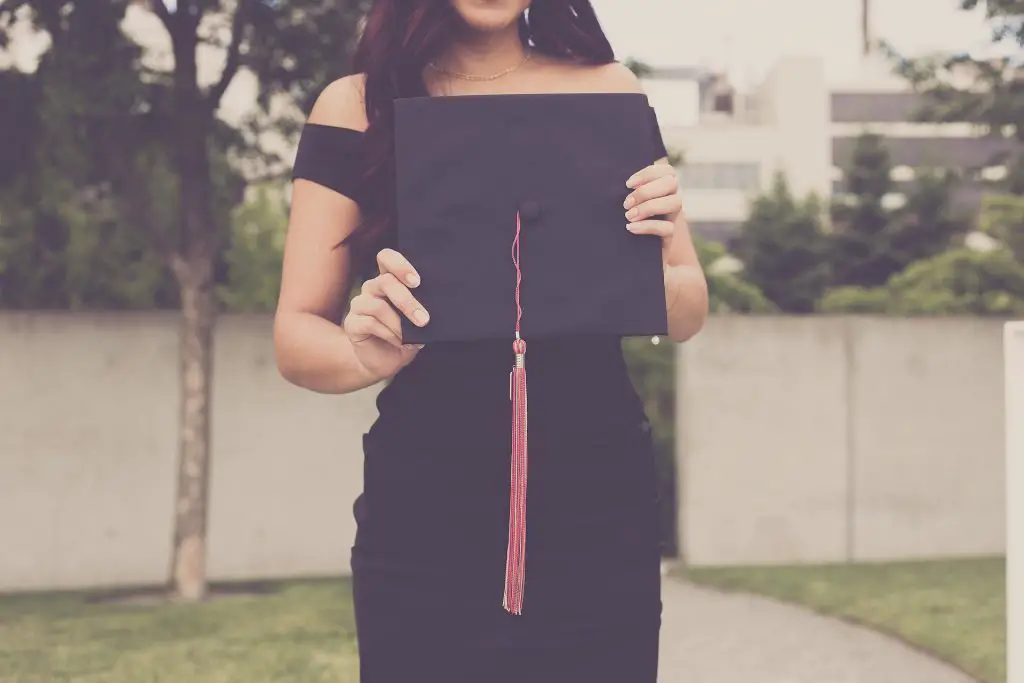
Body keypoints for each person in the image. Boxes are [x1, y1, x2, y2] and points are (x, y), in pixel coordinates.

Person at [274, 1, 709, 680]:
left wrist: (644, 261)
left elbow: (687, 307)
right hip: (425, 513)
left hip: (599, 505)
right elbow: (295, 334)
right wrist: (363, 352)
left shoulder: (608, 91)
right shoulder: (358, 106)